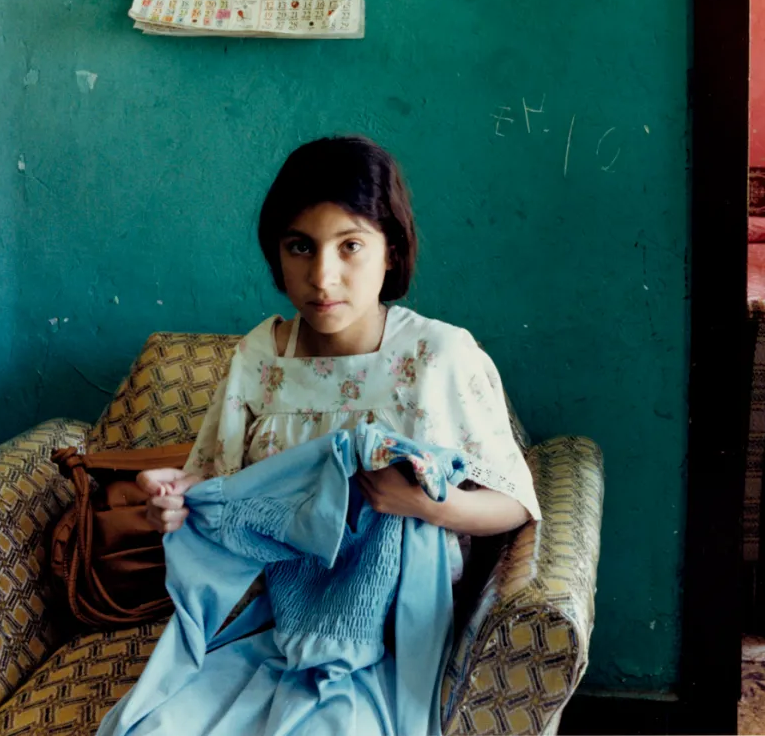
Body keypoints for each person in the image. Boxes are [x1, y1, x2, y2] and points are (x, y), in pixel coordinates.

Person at [140, 135, 539, 574]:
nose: (322, 277)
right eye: (301, 247)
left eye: (350, 246)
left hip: (403, 611)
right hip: (271, 603)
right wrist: (175, 500)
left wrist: (423, 505)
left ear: (391, 250)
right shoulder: (259, 357)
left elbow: (515, 503)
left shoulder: (437, 356)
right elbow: (222, 492)